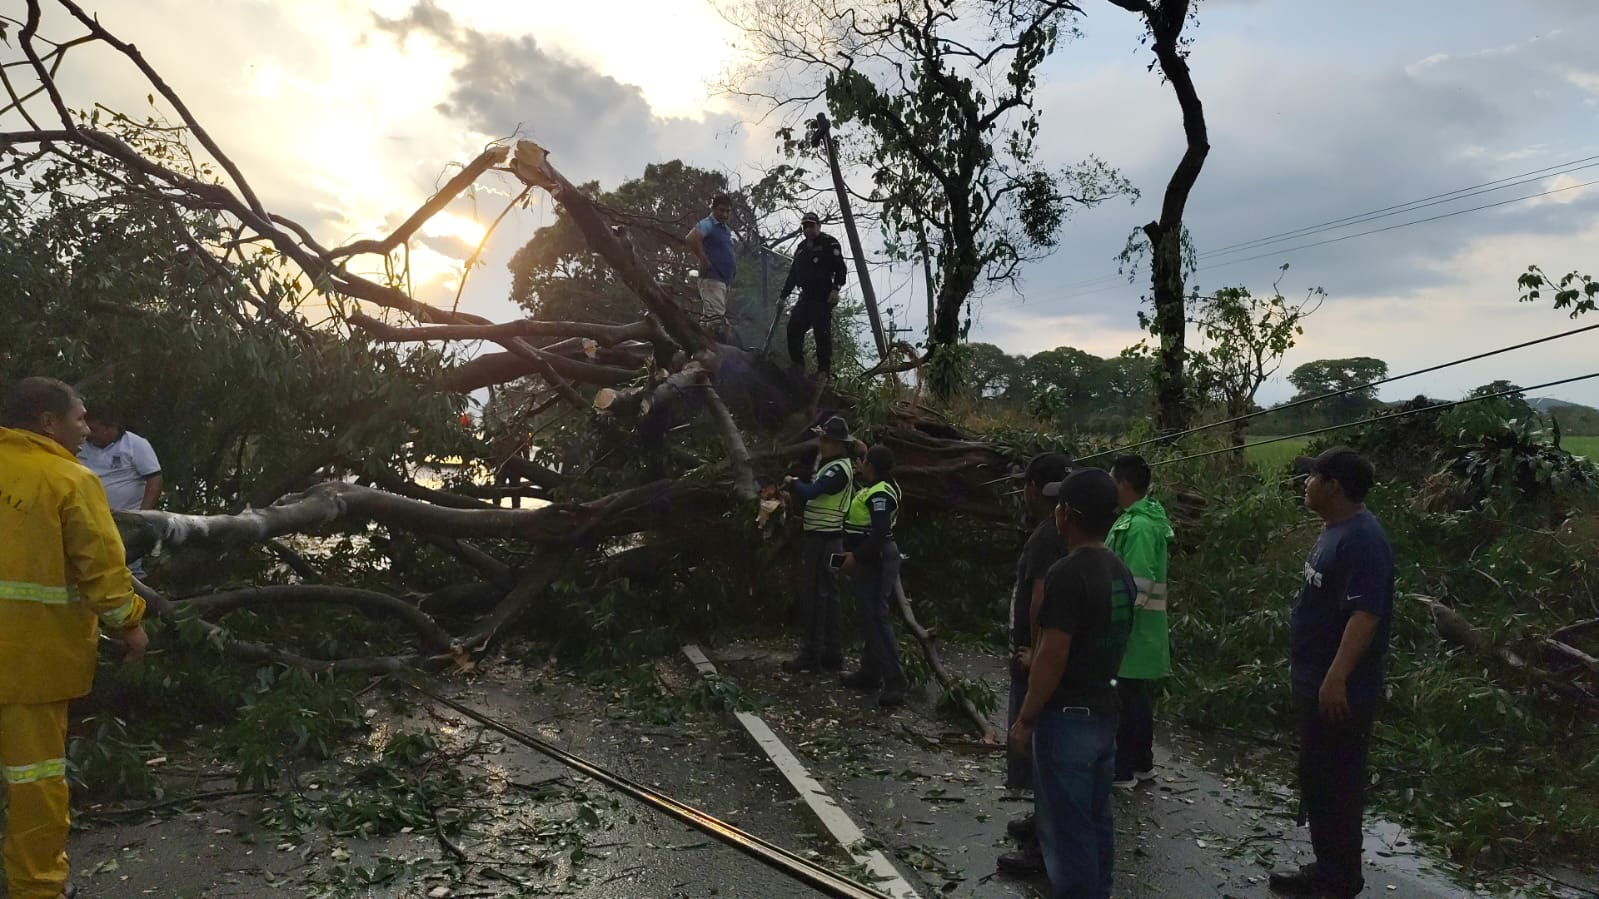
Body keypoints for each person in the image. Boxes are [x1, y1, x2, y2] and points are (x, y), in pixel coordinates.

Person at [1, 377, 150, 899]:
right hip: (31, 661)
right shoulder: (69, 480)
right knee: (34, 780)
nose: (86, 430)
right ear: (49, 422)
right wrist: (130, 626)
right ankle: (36, 888)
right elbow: (103, 573)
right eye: (80, 418)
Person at [1270, 447, 1394, 899]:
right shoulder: (1335, 530)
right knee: (1319, 779)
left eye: (1313, 477)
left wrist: (1336, 677)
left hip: (1340, 689)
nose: (1306, 484)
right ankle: (1328, 869)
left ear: (1333, 486)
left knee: (1337, 783)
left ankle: (1339, 880)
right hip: (1316, 680)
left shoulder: (1363, 539)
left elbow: (1366, 615)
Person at [1009, 468, 1135, 899]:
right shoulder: (1120, 570)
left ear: (1067, 515)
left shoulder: (1067, 572)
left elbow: (1054, 654)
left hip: (1068, 719)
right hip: (1104, 709)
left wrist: (1026, 718)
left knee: (1067, 831)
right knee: (1096, 820)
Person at [996, 452, 1071, 876]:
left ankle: (1043, 846)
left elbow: (1040, 600)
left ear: (1032, 489)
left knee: (1037, 744)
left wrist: (1034, 651)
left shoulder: (1046, 538)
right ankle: (1041, 820)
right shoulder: (1063, 533)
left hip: (1034, 657)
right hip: (1041, 654)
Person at [1107, 454, 1174, 789]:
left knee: (1125, 701)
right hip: (1139, 631)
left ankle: (1124, 770)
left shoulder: (1140, 527)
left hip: (1132, 631)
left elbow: (1138, 583)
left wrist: (1116, 624)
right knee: (1134, 697)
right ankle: (1141, 765)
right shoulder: (1137, 521)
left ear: (1123, 484)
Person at [780, 415, 857, 673]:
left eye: (825, 440)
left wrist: (792, 483)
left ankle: (812, 654)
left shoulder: (837, 470)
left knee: (817, 596)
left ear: (836, 443)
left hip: (825, 540)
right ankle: (831, 654)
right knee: (828, 596)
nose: (821, 444)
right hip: (827, 538)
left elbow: (812, 492)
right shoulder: (831, 465)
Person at [839, 444, 908, 707]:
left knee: (877, 618)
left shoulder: (880, 493)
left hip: (875, 559)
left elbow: (879, 532)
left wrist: (856, 556)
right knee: (869, 617)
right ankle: (869, 672)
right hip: (870, 557)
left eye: (864, 461)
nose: (861, 465)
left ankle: (895, 681)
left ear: (871, 465)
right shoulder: (877, 487)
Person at [76, 410, 163, 579]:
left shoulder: (135, 444)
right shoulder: (81, 445)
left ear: (111, 427)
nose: (89, 433)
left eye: (94, 429)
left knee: (126, 566)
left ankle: (140, 593)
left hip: (125, 519)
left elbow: (155, 479)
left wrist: (143, 515)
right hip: (89, 519)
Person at [779, 211, 848, 376]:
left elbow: (840, 269)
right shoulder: (801, 248)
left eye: (811, 225)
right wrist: (783, 296)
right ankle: (797, 366)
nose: (808, 229)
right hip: (806, 295)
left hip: (823, 295)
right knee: (793, 328)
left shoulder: (830, 243)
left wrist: (836, 289)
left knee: (821, 332)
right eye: (805, 226)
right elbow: (793, 274)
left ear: (818, 226)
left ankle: (823, 371)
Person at [684, 193, 737, 340]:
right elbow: (691, 238)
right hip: (712, 278)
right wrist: (703, 259)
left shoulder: (725, 229)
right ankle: (714, 349)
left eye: (727, 211)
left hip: (723, 280)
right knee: (716, 321)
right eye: (721, 210)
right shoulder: (708, 223)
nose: (724, 214)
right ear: (713, 209)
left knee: (709, 319)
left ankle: (699, 344)